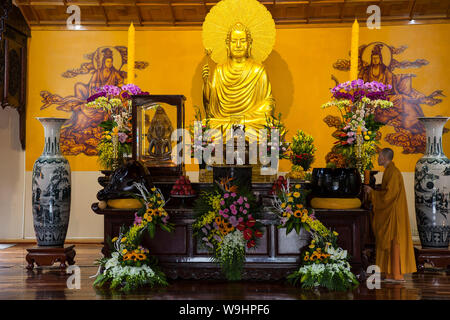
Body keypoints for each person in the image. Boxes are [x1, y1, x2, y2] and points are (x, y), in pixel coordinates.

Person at [364, 148, 417, 281]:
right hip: (391, 212)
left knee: (393, 242)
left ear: (385, 157)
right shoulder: (389, 171)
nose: (377, 158)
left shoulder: (393, 172)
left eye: (379, 156)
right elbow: (387, 190)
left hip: (394, 214)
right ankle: (389, 273)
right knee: (389, 242)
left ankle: (396, 274)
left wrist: (372, 193)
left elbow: (389, 196)